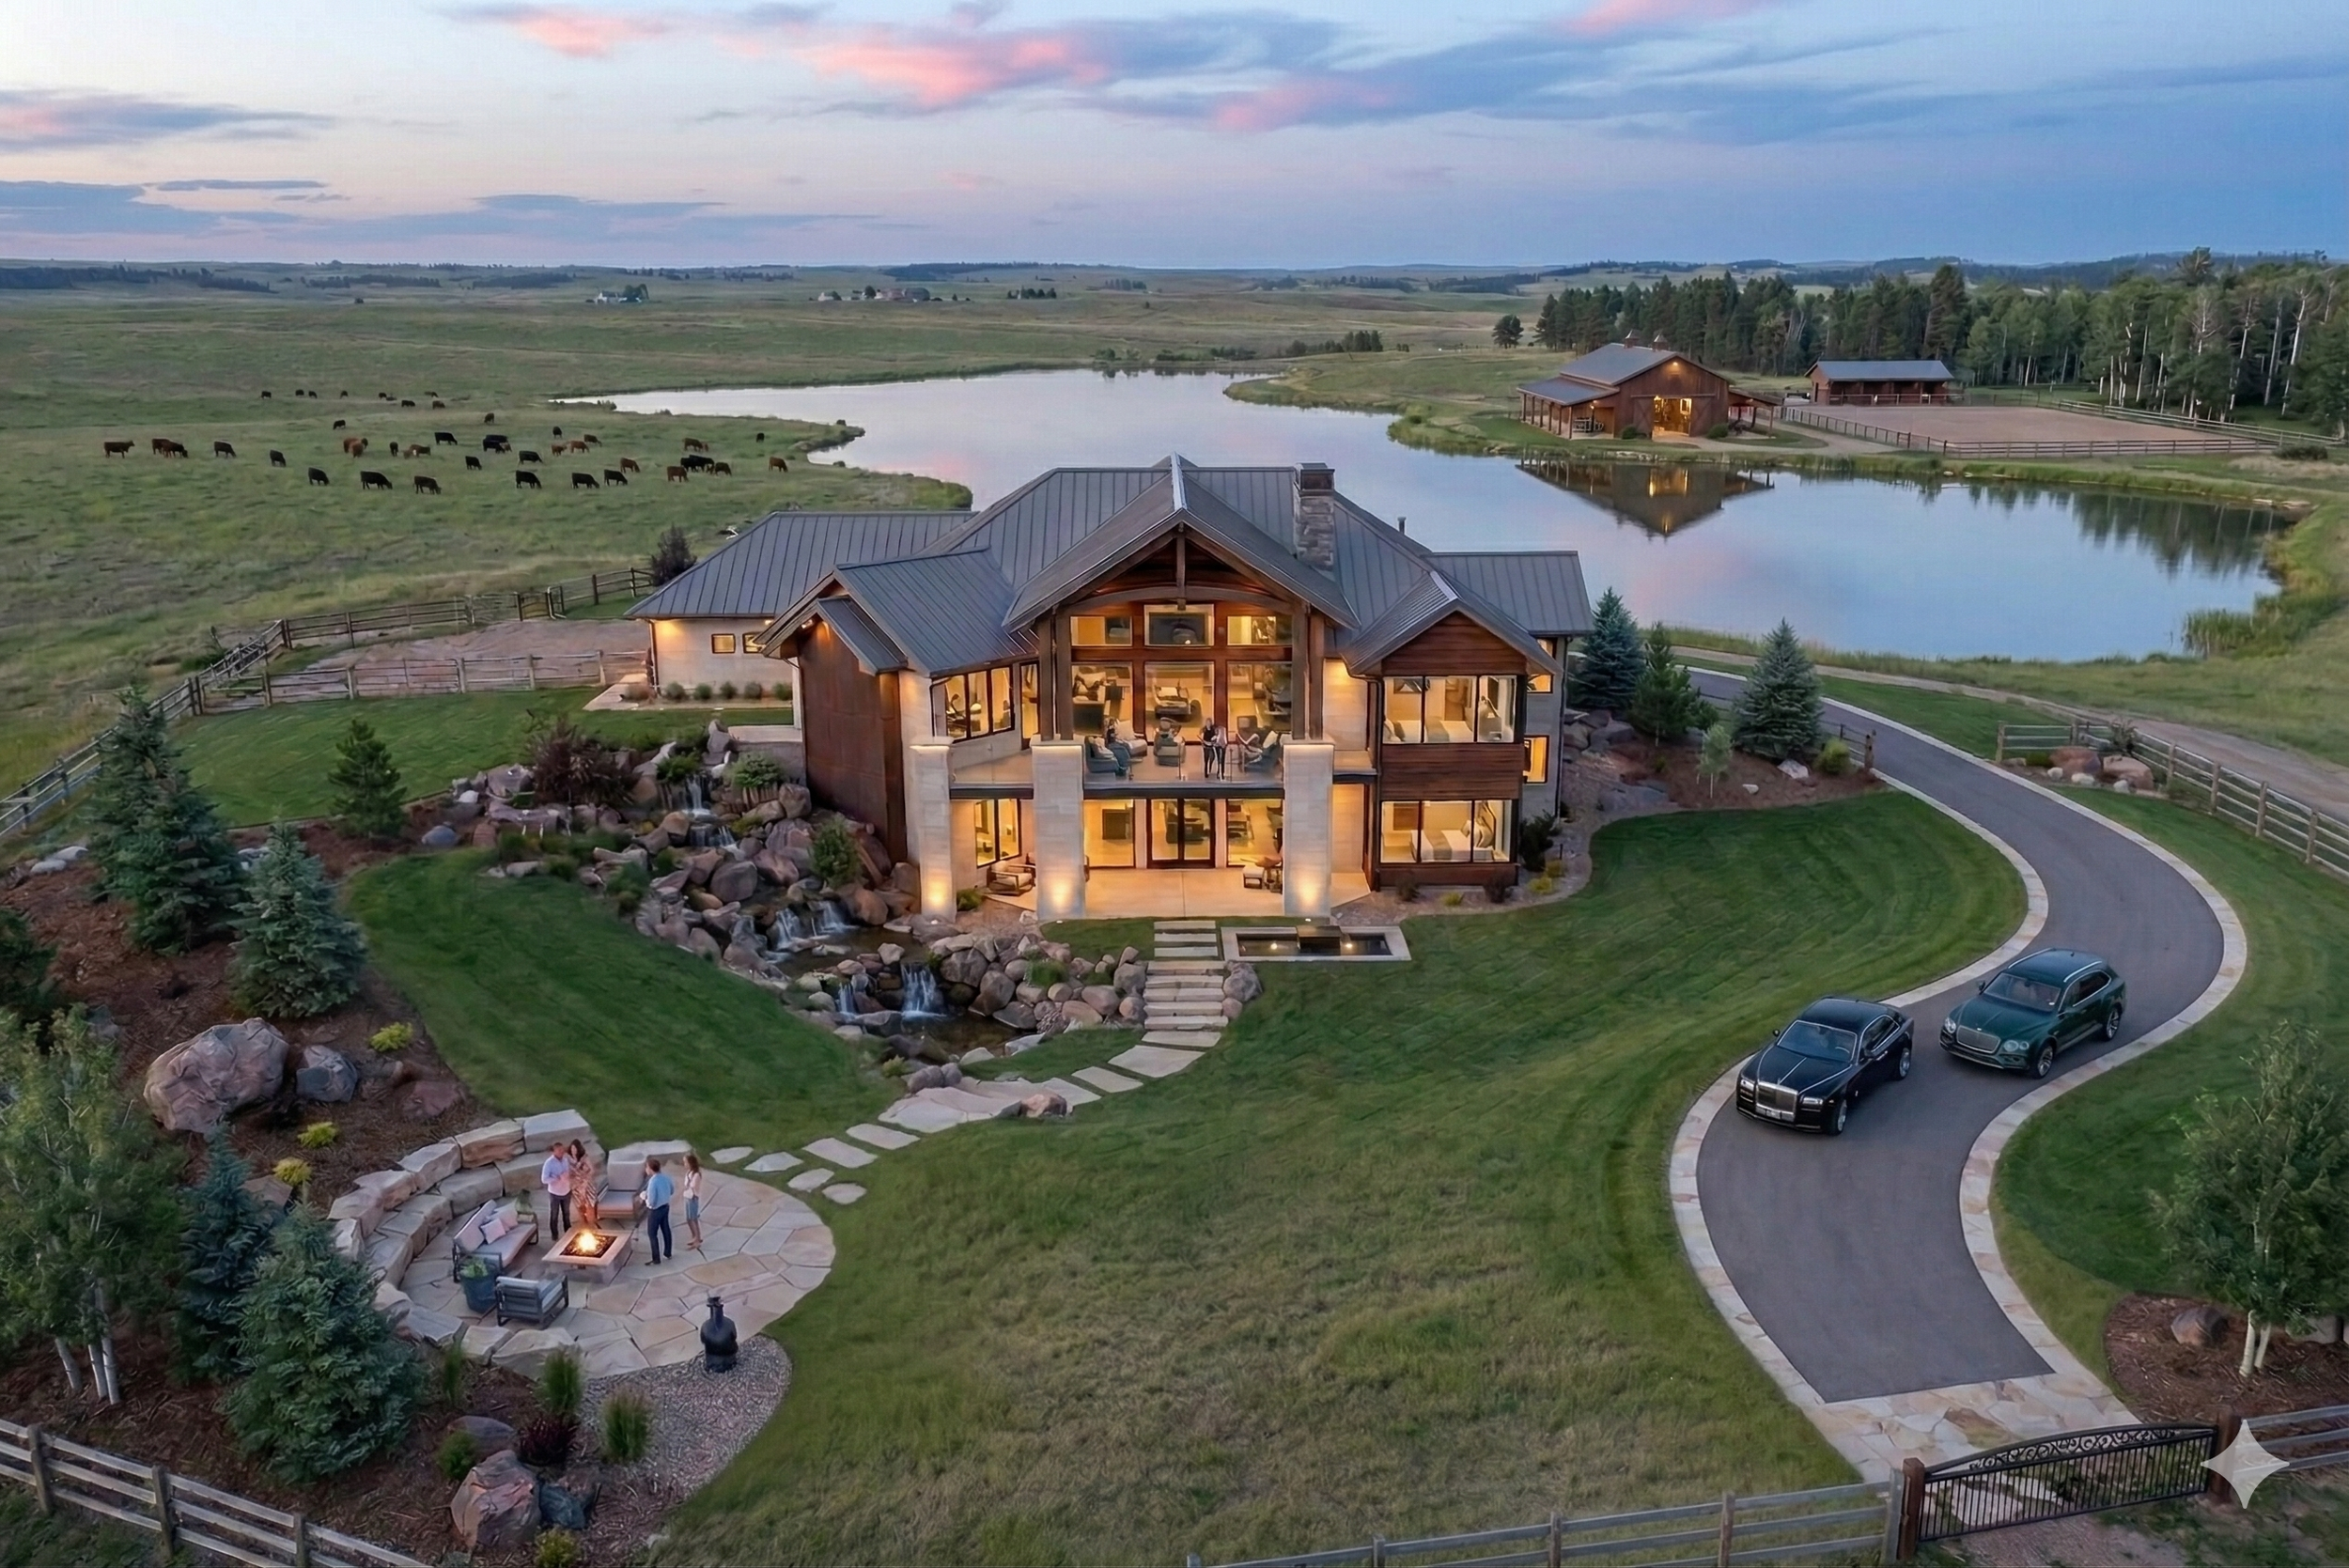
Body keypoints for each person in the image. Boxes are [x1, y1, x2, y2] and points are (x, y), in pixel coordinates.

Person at [643, 1157, 674, 1265]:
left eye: (646, 1167)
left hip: (655, 1211)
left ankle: (656, 1258)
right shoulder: (666, 1177)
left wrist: (644, 1197)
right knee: (666, 1229)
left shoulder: (653, 1182)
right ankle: (668, 1252)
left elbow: (651, 1201)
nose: (645, 1169)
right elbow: (672, 1190)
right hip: (665, 1207)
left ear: (651, 1169)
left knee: (652, 1233)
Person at [539, 1142, 573, 1235]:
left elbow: (570, 1172)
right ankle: (554, 1234)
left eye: (562, 1150)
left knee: (566, 1214)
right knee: (554, 1215)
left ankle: (568, 1233)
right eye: (559, 1150)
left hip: (566, 1191)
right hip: (555, 1194)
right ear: (554, 1151)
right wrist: (557, 1178)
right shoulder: (549, 1163)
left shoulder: (566, 1160)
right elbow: (544, 1179)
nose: (562, 1152)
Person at [568, 1140, 598, 1227]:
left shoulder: (585, 1158)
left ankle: (592, 1224)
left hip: (586, 1186)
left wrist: (585, 1179)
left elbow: (592, 1170)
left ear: (579, 1149)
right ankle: (584, 1226)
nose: (573, 1150)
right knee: (579, 1207)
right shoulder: (569, 1160)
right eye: (572, 1148)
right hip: (575, 1187)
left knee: (589, 1206)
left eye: (575, 1148)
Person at [682, 1153, 705, 1251]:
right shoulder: (689, 1173)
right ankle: (694, 1236)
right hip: (687, 1197)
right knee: (688, 1218)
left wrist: (688, 1184)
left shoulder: (696, 1175)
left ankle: (697, 1240)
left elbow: (693, 1185)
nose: (684, 1164)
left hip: (693, 1198)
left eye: (686, 1162)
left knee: (693, 1218)